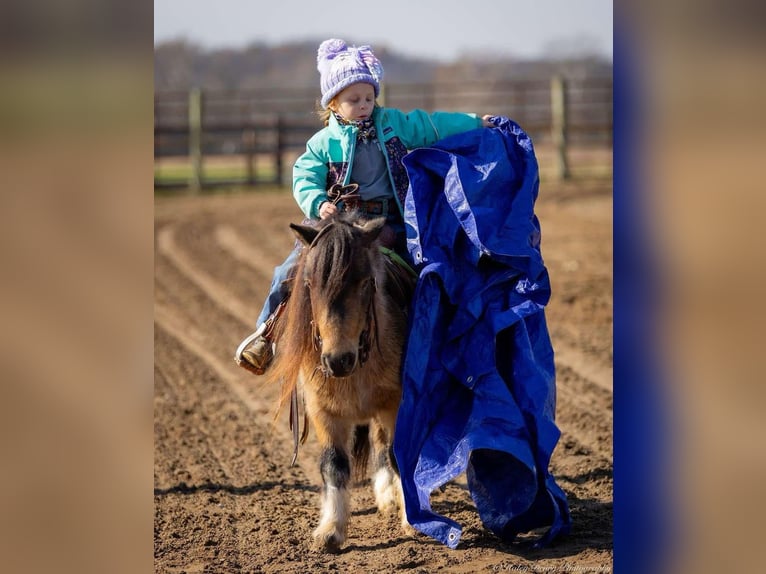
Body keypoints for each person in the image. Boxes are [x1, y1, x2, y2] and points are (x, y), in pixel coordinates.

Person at [235, 38, 493, 375]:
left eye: (369, 97)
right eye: (354, 99)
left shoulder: (396, 125)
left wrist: (476, 122)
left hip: (391, 223)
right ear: (333, 104)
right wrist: (319, 202)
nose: (364, 105)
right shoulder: (322, 143)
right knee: (290, 271)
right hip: (338, 227)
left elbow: (434, 125)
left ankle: (445, 345)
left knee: (434, 270)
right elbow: (304, 176)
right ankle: (265, 335)